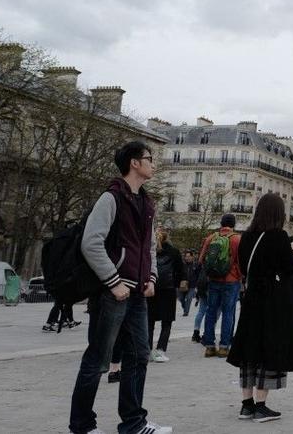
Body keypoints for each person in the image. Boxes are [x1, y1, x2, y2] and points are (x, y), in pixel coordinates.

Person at [68, 140, 172, 434]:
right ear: (134, 163)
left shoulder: (146, 202)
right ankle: (82, 426)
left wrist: (150, 278)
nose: (153, 163)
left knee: (139, 356)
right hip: (113, 293)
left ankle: (134, 423)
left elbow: (150, 248)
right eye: (149, 158)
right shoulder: (111, 198)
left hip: (138, 293)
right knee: (98, 359)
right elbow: (91, 242)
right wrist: (113, 282)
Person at [227, 193, 293, 423]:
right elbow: (289, 269)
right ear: (278, 214)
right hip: (273, 301)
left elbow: (243, 265)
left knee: (250, 348)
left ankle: (246, 405)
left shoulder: (246, 236)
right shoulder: (278, 237)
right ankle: (261, 406)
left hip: (251, 299)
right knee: (270, 349)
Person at [199, 213, 242, 358]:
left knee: (210, 312)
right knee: (228, 313)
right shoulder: (237, 239)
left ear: (221, 223)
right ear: (233, 224)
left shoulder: (211, 237)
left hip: (213, 280)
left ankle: (210, 346)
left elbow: (201, 259)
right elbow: (241, 261)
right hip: (231, 280)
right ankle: (224, 347)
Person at [147, 228, 184, 362]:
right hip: (168, 290)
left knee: (149, 322)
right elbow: (180, 270)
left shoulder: (149, 250)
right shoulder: (174, 252)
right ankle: (161, 350)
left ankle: (147, 350)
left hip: (151, 288)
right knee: (166, 322)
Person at [178, 250, 200, 317]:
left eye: (189, 256)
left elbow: (198, 275)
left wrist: (197, 284)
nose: (187, 258)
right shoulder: (182, 265)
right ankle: (185, 307)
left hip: (192, 285)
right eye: (186, 256)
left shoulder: (195, 265)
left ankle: (186, 312)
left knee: (189, 298)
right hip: (183, 284)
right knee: (181, 298)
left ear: (192, 257)